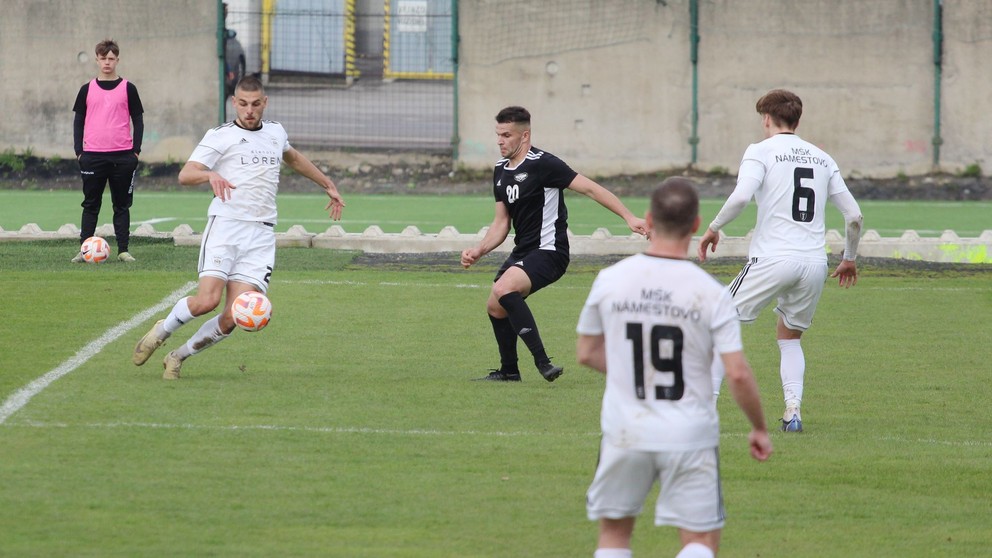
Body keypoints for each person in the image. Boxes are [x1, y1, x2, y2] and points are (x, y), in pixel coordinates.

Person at [577, 177, 772, 558]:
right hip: (689, 433)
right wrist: (759, 428)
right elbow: (737, 373)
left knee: (614, 535)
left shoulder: (610, 280)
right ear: (697, 224)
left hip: (624, 430)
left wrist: (635, 371)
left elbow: (586, 353)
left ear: (648, 219)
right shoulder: (711, 294)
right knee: (700, 541)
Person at [131, 75, 345, 380]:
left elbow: (292, 157)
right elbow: (186, 174)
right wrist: (210, 176)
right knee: (207, 301)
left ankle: (178, 356)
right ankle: (161, 331)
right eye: (243, 104)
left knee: (233, 317)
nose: (249, 110)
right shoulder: (220, 136)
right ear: (235, 103)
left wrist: (327, 183)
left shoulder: (275, 132)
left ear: (265, 103)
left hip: (260, 235)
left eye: (256, 104)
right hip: (226, 227)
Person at [697, 89, 864, 433]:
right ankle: (793, 412)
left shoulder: (760, 151)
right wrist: (848, 258)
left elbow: (742, 196)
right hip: (814, 264)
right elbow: (854, 216)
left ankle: (702, 415)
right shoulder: (822, 157)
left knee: (716, 323)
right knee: (789, 338)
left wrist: (714, 228)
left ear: (767, 119)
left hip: (772, 258)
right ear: (798, 121)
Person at [461, 106, 648, 382]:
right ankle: (509, 371)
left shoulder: (544, 164)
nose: (500, 140)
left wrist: (629, 217)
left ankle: (543, 362)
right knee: (495, 306)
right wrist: (479, 250)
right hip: (524, 252)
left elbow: (590, 188)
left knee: (503, 288)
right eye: (498, 134)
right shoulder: (500, 170)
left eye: (506, 135)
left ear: (524, 136)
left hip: (550, 252)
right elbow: (501, 223)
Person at [72, 38, 144, 263]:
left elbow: (138, 120)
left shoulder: (128, 88)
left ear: (117, 60)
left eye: (111, 59)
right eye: (103, 58)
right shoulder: (87, 89)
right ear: (97, 60)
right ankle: (84, 249)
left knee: (121, 204)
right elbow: (78, 121)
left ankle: (123, 249)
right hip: (92, 156)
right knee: (91, 204)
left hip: (123, 157)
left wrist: (136, 152)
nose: (107, 63)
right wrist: (79, 152)